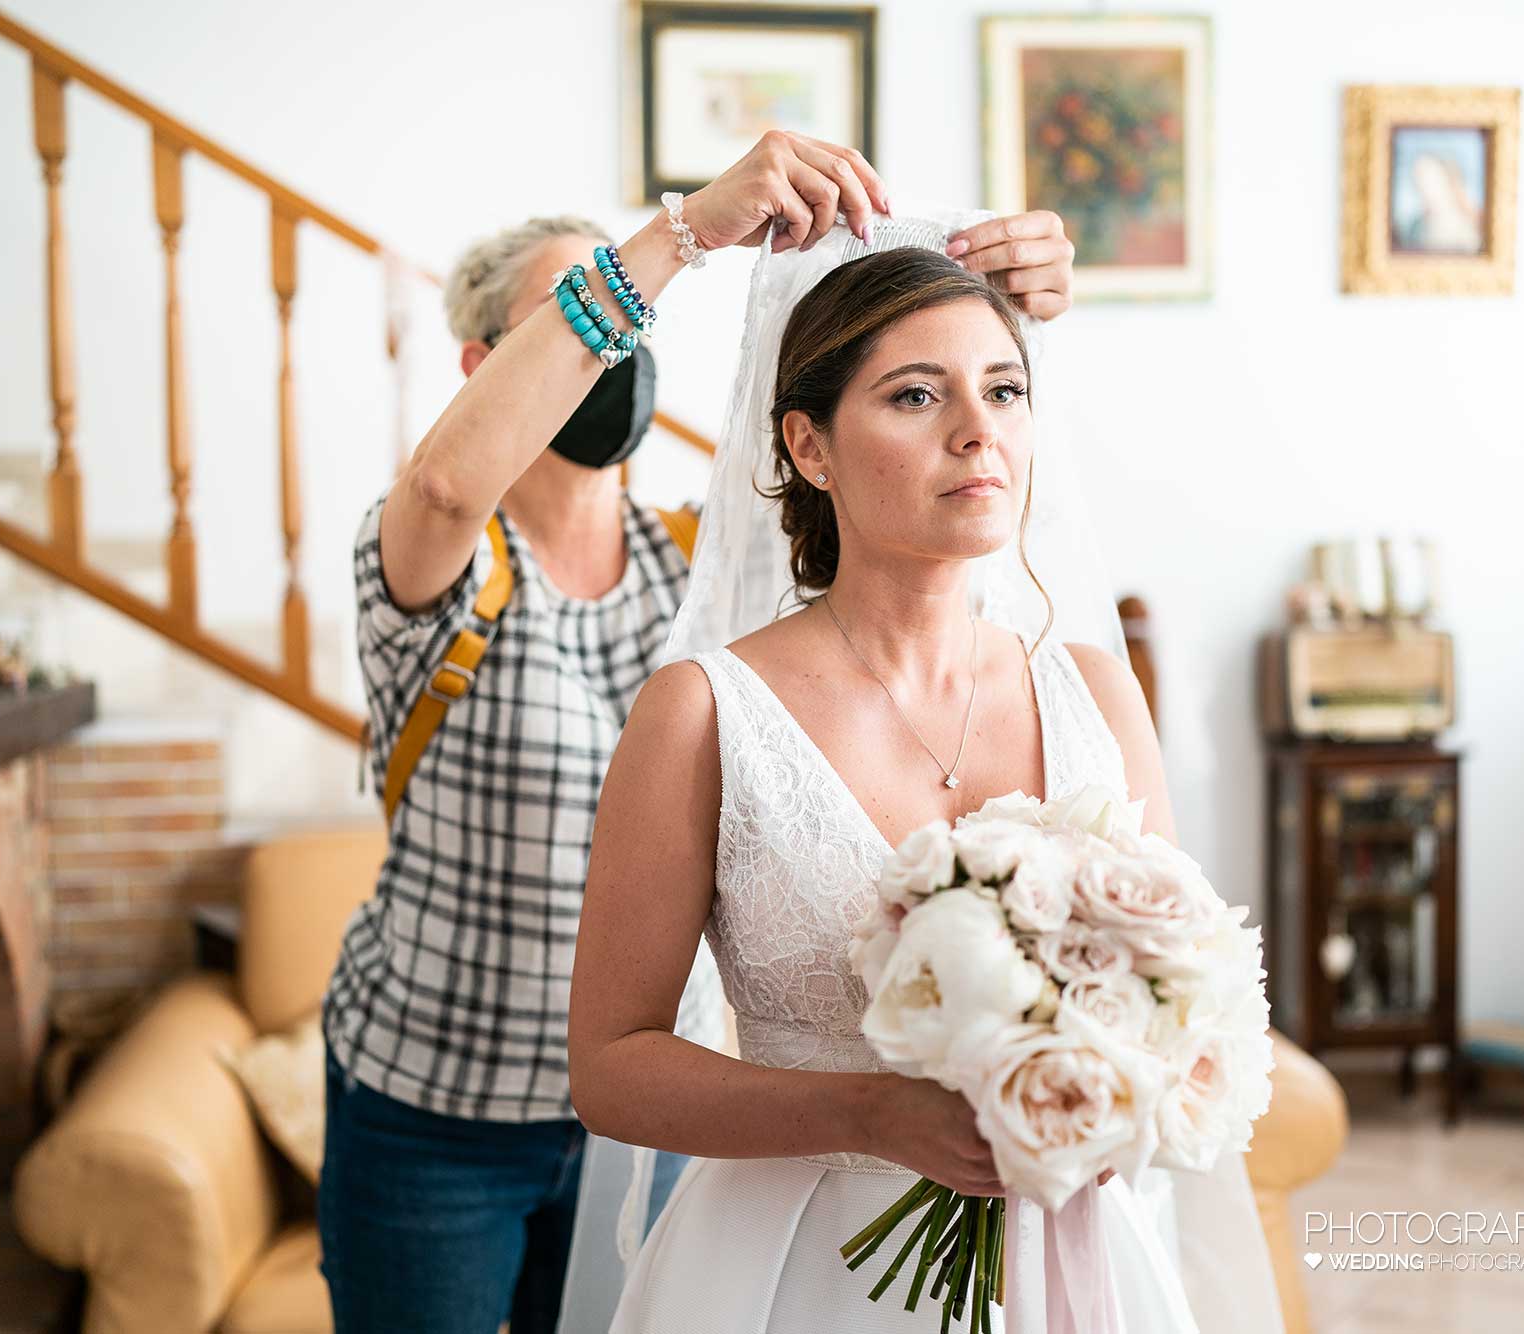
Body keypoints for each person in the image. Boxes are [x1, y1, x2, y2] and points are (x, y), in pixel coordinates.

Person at [318, 127, 1081, 1334]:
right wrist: (681, 236)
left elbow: (900, 564)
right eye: (586, 316)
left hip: (671, 1124)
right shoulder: (437, 566)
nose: (617, 346)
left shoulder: (699, 577)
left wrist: (992, 300)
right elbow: (447, 484)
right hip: (443, 1103)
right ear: (487, 364)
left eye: (630, 322)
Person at [566, 225, 1285, 1330]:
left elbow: (1176, 989)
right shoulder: (703, 712)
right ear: (809, 446)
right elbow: (611, 1067)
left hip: (1066, 1258)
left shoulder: (1095, 692)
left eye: (1004, 390)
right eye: (915, 395)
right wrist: (867, 1111)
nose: (977, 431)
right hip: (794, 1269)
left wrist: (1118, 1091)